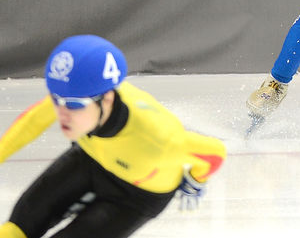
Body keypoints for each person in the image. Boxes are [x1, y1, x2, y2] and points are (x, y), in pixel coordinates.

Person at [0, 35, 226, 238]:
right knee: (15, 229)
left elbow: (215, 152)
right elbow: (30, 123)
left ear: (106, 100)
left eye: (74, 104)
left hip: (135, 197)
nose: (61, 113)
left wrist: (196, 180)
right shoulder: (76, 94)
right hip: (92, 161)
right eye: (55, 99)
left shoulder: (159, 139)